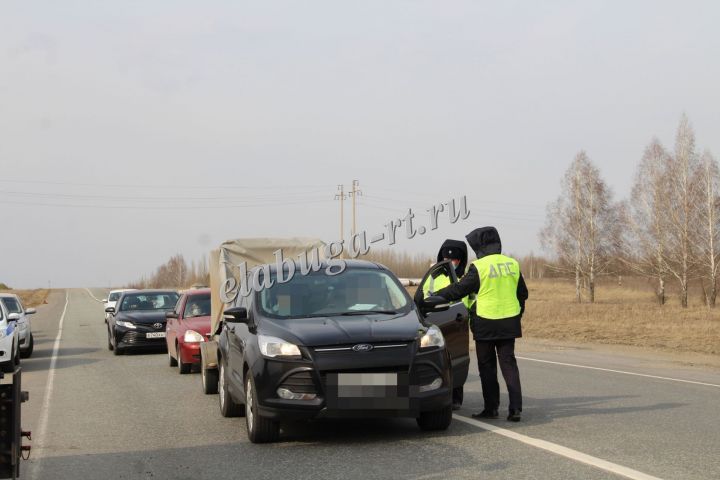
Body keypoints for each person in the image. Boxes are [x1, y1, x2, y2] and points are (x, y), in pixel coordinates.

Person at [433, 227, 528, 422]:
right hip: (509, 322)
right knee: (509, 364)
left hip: (486, 322)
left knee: (487, 367)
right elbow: (523, 294)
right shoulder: (512, 264)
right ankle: (515, 408)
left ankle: (491, 408)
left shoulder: (480, 266)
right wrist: (517, 314)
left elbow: (460, 289)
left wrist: (437, 296)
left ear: (480, 246)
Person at [414, 239, 469, 410]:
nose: (451, 262)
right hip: (436, 322)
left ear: (461, 260)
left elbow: (472, 300)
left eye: (455, 260)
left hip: (458, 322)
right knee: (439, 359)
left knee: (456, 358)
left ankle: (456, 398)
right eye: (446, 258)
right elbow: (423, 296)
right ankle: (437, 392)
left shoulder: (466, 278)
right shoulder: (433, 277)